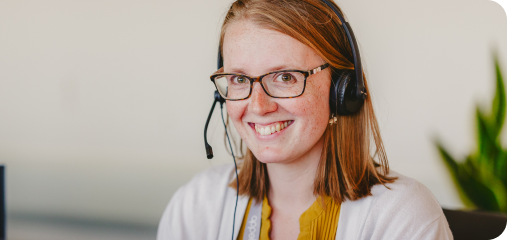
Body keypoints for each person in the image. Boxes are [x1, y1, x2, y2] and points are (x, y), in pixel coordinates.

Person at [157, 0, 453, 239]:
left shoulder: (401, 218)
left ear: (342, 88)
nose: (258, 105)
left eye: (285, 77)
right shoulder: (196, 206)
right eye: (238, 78)